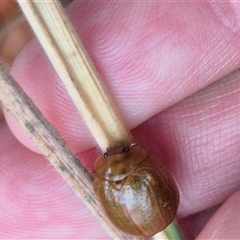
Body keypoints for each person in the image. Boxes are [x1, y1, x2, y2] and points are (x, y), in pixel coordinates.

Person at [1, 1, 240, 239]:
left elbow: (154, 168)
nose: (114, 150)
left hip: (148, 220)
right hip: (152, 216)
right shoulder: (119, 177)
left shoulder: (117, 178)